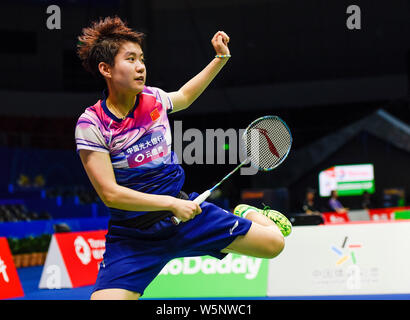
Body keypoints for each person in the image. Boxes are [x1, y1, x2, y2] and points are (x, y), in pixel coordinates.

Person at [75, 16, 292, 300]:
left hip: (188, 215)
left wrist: (220, 59)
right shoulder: (92, 124)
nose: (141, 66)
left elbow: (185, 96)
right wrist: (172, 205)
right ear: (106, 68)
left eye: (141, 58)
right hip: (134, 237)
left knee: (274, 244)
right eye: (130, 59)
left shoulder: (153, 100)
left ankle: (245, 212)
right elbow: (110, 194)